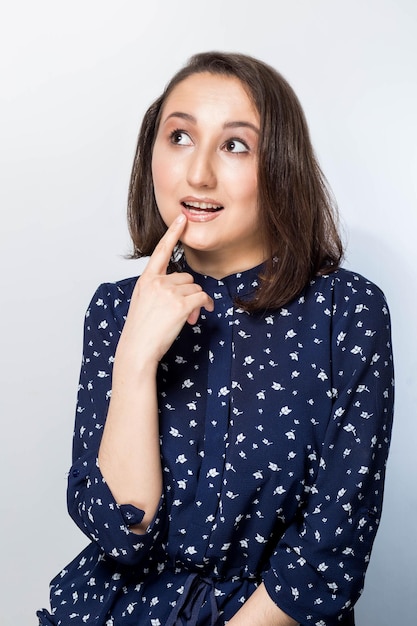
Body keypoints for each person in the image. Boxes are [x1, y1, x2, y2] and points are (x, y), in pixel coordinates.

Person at [37, 51, 394, 626]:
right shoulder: (113, 310)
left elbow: (333, 549)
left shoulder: (347, 311)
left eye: (234, 145)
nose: (198, 174)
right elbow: (120, 534)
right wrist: (133, 361)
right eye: (179, 136)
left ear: (280, 165)